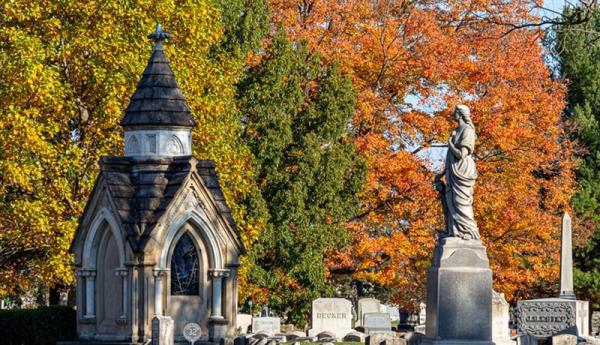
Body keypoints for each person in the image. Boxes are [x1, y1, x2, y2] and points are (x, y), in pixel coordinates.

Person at [436, 105, 480, 240]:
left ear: (461, 114)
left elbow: (461, 154)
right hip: (452, 170)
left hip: (462, 170)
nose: (453, 114)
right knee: (450, 200)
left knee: (460, 201)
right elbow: (450, 157)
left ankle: (470, 232)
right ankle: (454, 231)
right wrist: (443, 172)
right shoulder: (457, 130)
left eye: (456, 112)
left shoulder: (467, 130)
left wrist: (450, 143)